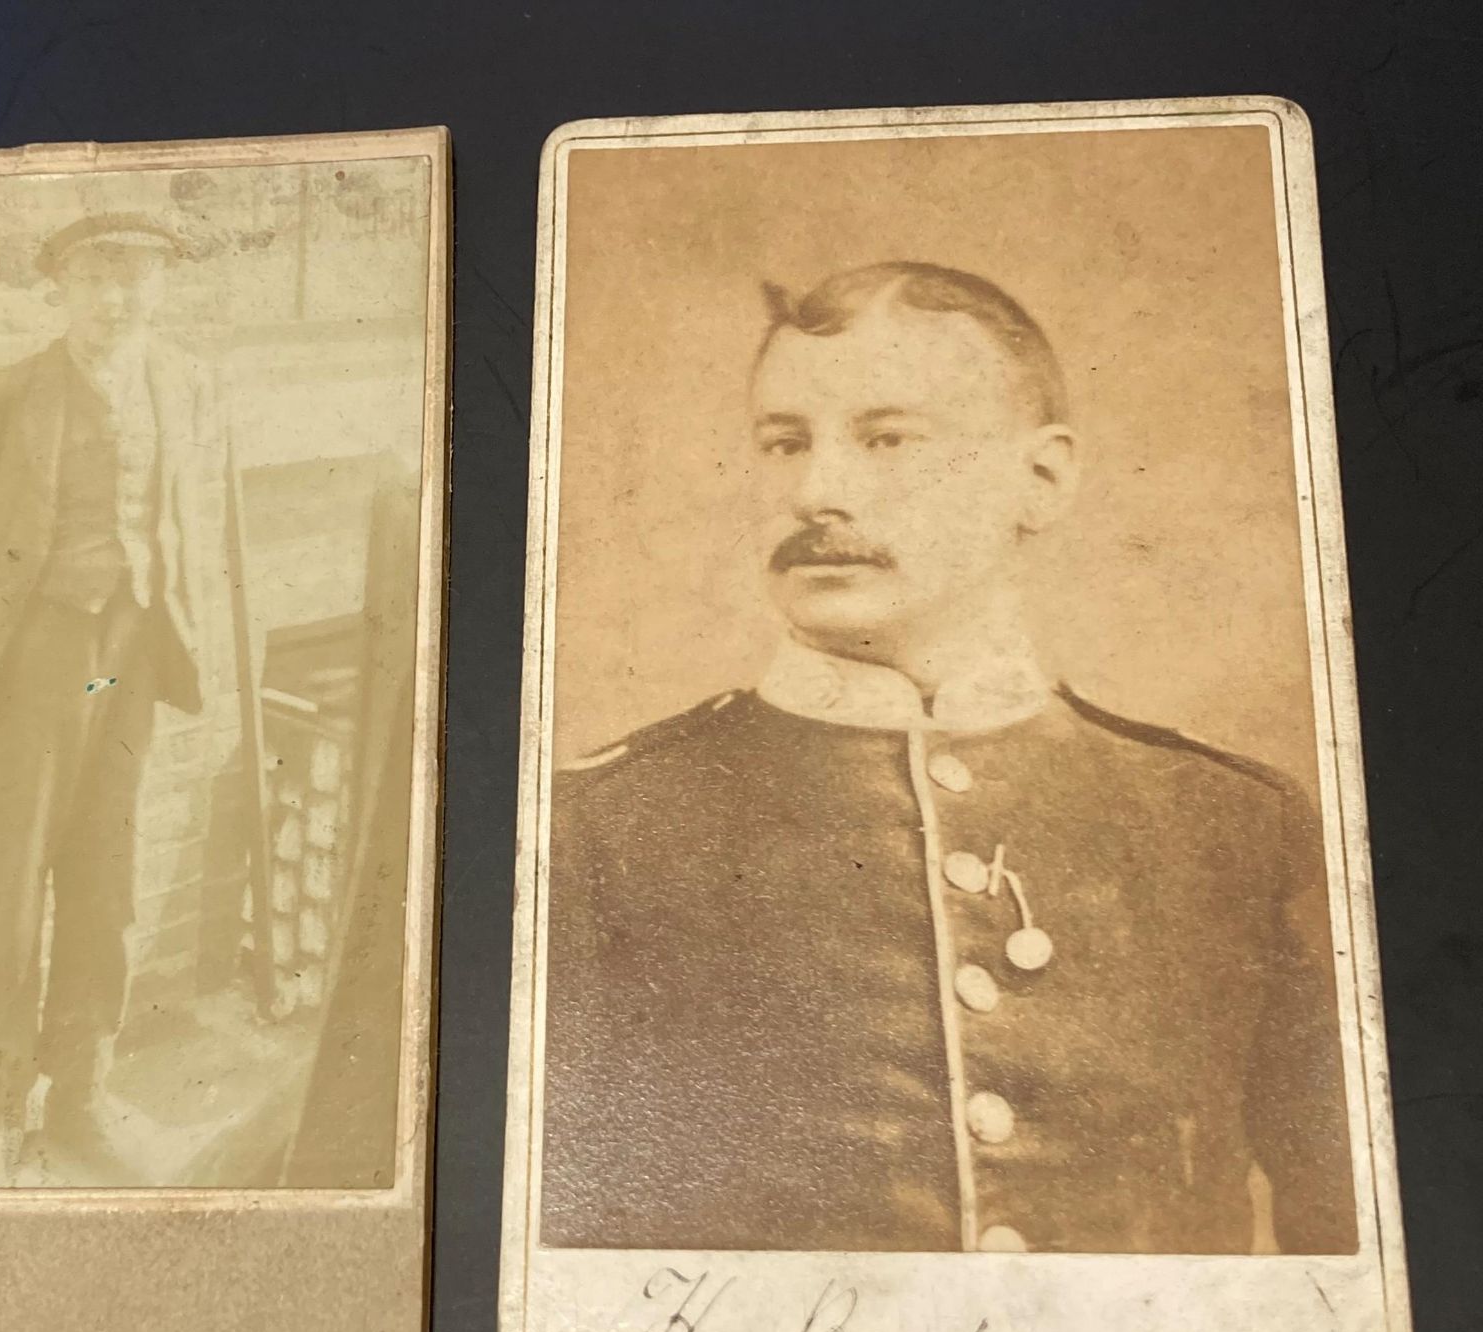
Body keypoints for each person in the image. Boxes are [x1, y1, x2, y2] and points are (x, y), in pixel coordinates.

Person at [541, 261, 1358, 1256]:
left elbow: (1357, 1266)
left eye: (887, 440)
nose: (816, 490)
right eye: (783, 443)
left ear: (1041, 479)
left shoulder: (1232, 824)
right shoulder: (598, 828)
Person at [0, 212, 226, 1182]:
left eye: (136, 277)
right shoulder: (9, 396)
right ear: (60, 287)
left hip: (126, 659)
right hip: (41, 662)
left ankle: (84, 1095)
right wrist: (1, 641)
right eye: (96, 277)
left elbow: (200, 519)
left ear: (162, 287)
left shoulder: (185, 385)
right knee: (16, 889)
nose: (117, 296)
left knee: (108, 878)